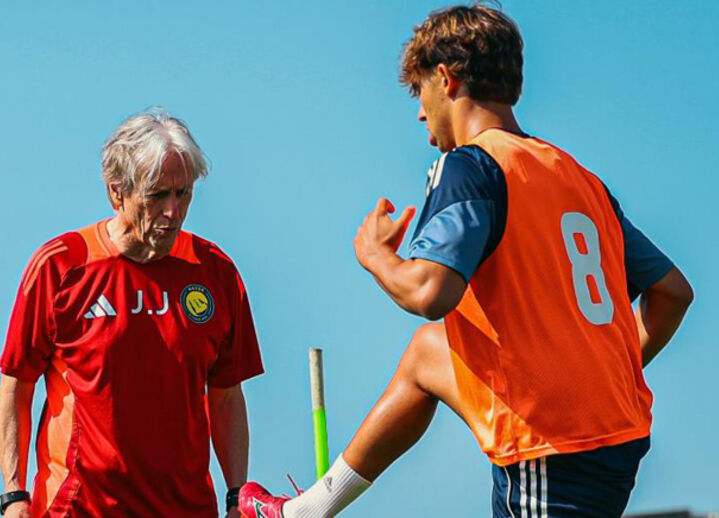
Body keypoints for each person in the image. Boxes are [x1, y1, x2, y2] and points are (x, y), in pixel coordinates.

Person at [240, 4, 693, 518]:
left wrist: (374, 257)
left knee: (432, 333)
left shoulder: (470, 165)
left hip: (555, 447)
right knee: (429, 354)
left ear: (445, 78)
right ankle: (306, 511)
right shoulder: (578, 177)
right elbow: (672, 293)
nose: (419, 113)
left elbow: (431, 292)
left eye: (419, 93)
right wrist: (600, 372)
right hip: (616, 432)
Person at [0, 108, 263, 518]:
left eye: (184, 193)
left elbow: (226, 397)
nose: (173, 211)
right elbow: (16, 386)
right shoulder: (62, 264)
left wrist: (236, 495)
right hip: (79, 508)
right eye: (157, 195)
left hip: (186, 509)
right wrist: (14, 495)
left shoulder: (216, 273)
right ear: (116, 192)